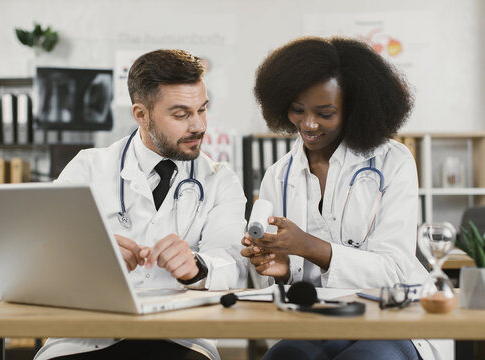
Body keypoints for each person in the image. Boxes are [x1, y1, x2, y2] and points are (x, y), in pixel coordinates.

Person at [242, 37, 452, 360]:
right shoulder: (279, 176)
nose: (309, 124)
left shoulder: (393, 162)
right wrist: (282, 270)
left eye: (325, 113)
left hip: (393, 319)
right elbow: (286, 284)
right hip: (323, 322)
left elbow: (394, 269)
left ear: (353, 109)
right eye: (298, 110)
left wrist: (307, 246)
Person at [34, 49, 247, 360]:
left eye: (202, 110)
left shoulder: (220, 180)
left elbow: (234, 265)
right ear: (141, 115)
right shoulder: (87, 168)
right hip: (87, 336)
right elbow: (42, 257)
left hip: (180, 338)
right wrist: (93, 261)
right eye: (181, 114)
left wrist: (198, 268)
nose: (199, 126)